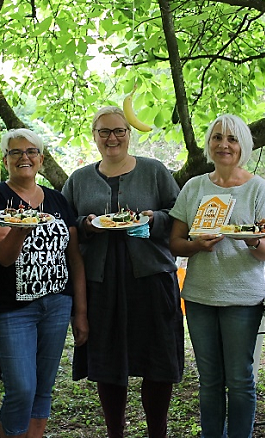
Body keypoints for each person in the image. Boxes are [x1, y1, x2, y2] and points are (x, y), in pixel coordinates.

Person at [61, 106, 183, 438]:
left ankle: (157, 432)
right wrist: (85, 225)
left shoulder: (154, 171)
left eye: (119, 131)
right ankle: (116, 432)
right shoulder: (79, 179)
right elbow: (63, 226)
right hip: (101, 282)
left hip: (151, 278)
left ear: (129, 134)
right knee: (108, 364)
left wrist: (154, 219)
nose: (112, 138)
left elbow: (178, 215)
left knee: (156, 362)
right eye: (104, 132)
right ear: (95, 136)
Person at [168, 114, 265, 438]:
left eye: (231, 139)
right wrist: (195, 245)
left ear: (243, 145)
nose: (223, 145)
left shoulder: (258, 188)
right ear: (209, 145)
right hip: (200, 296)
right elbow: (175, 242)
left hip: (243, 299)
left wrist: (253, 240)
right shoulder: (194, 187)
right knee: (209, 381)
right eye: (217, 138)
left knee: (240, 379)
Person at [0, 128, 87, 438]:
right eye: (16, 152)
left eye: (31, 151)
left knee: (43, 387)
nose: (24, 157)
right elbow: (2, 256)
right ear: (5, 160)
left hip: (57, 304)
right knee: (22, 389)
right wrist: (21, 228)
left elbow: (74, 258)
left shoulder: (58, 200)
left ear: (40, 158)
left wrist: (80, 312)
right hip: (12, 309)